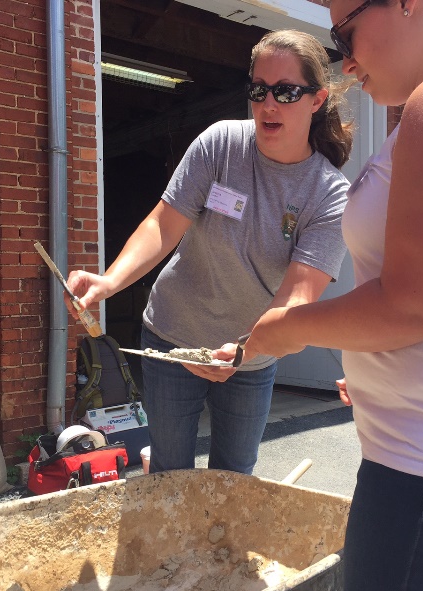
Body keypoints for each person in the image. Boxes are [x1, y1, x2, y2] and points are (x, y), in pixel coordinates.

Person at [241, 2, 423, 591]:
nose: (345, 60)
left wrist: (287, 329)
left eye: (344, 31)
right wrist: (373, 367)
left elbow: (416, 306)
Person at [65, 29, 353, 476]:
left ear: (317, 100)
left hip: (253, 355)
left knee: (233, 475)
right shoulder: (220, 143)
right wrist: (110, 281)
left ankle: (219, 549)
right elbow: (163, 223)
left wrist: (244, 351)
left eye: (286, 91)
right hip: (173, 335)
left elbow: (297, 299)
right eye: (258, 89)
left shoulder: (329, 193)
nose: (268, 104)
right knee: (169, 472)